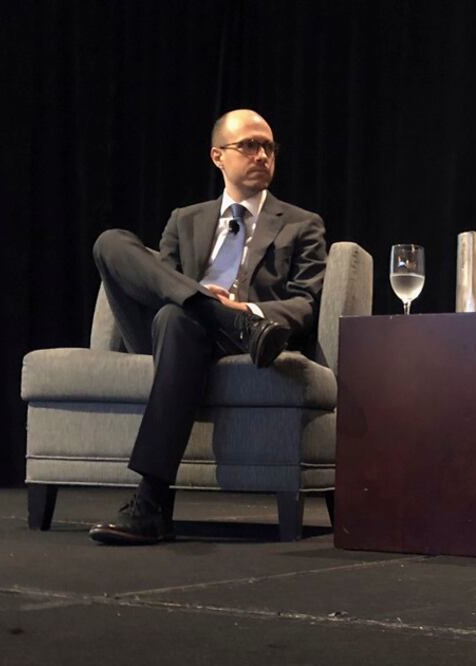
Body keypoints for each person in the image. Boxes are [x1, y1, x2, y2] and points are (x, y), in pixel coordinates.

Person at [88, 109, 328, 545]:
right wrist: (210, 303)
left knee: (179, 317)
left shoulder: (301, 223)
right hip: (169, 329)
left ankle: (151, 503)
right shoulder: (185, 219)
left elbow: (305, 303)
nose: (262, 155)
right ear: (218, 156)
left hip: (238, 339)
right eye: (249, 145)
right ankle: (213, 311)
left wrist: (249, 312)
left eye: (268, 147)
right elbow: (159, 284)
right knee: (111, 243)